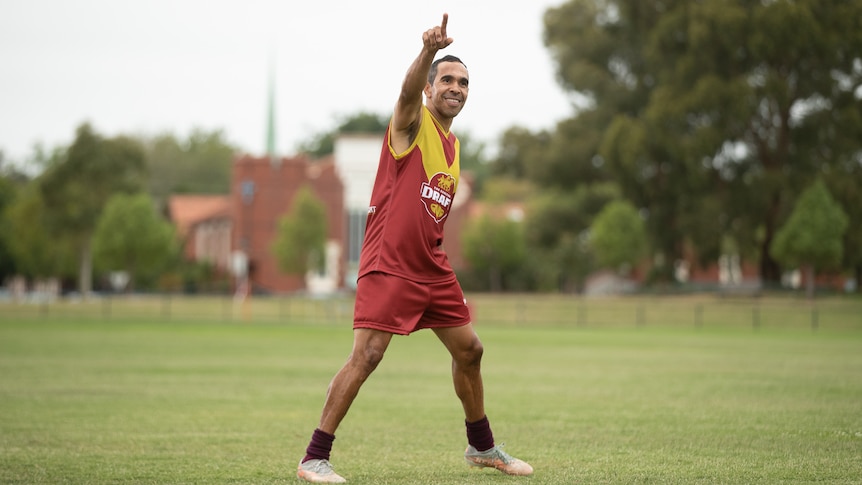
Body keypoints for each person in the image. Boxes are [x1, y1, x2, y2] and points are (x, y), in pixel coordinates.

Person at [296, 14, 533, 484]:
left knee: (471, 350)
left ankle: (481, 447)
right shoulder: (411, 123)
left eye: (464, 82)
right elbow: (404, 95)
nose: (457, 88)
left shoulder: (453, 145)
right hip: (390, 263)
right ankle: (313, 458)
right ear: (429, 89)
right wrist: (427, 51)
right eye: (447, 79)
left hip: (432, 267)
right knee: (367, 355)